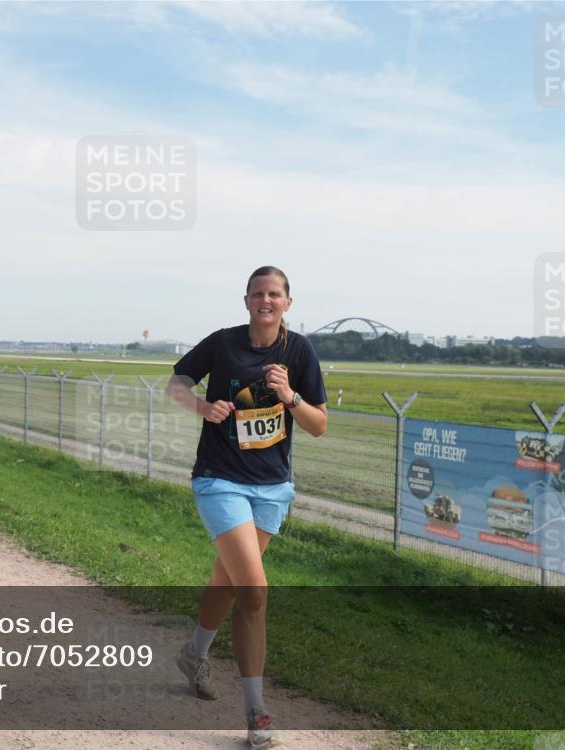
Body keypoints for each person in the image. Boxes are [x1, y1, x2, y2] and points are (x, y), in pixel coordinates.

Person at [166, 266, 327, 750]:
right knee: (254, 591)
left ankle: (194, 654)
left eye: (274, 294)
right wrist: (202, 407)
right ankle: (257, 714)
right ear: (246, 300)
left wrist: (290, 396)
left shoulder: (298, 351)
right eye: (258, 294)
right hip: (220, 480)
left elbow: (319, 424)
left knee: (228, 581)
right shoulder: (223, 342)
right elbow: (175, 383)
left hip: (272, 488)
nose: (266, 301)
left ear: (288, 302)